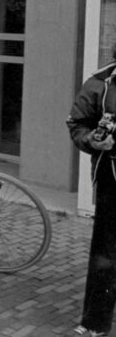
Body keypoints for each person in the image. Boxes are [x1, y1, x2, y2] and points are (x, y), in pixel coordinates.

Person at [67, 45, 116, 337]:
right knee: (107, 251)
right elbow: (77, 123)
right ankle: (95, 322)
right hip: (112, 175)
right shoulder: (100, 82)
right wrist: (93, 141)